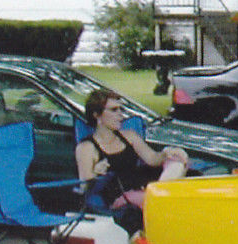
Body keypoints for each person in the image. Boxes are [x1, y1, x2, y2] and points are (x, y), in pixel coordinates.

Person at [76, 89, 190, 231]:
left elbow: (153, 159)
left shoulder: (129, 136)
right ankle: (161, 198)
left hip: (144, 187)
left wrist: (168, 153)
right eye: (114, 110)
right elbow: (84, 185)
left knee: (177, 161)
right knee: (164, 204)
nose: (121, 115)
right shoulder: (87, 147)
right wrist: (96, 173)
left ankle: (160, 194)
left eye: (121, 110)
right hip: (121, 197)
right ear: (97, 115)